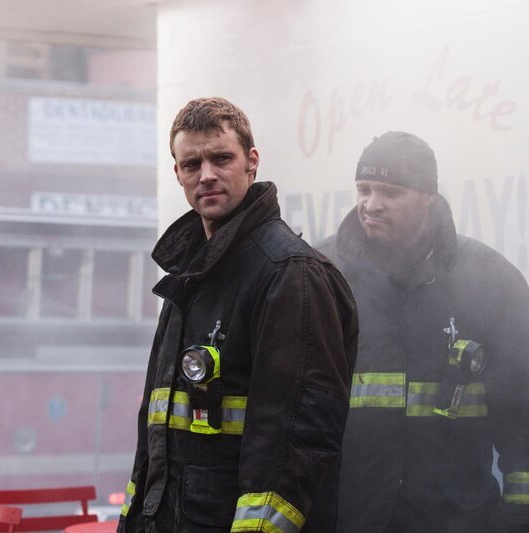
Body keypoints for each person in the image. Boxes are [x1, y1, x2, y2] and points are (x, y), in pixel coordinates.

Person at [118, 97, 358, 533]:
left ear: (251, 162)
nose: (206, 175)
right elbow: (156, 441)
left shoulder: (290, 276)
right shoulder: (191, 275)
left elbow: (297, 439)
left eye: (221, 158)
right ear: (178, 174)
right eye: (191, 164)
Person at [318, 131, 529, 533]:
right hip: (346, 519)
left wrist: (523, 520)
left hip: (456, 520)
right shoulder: (320, 276)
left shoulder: (490, 281)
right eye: (363, 189)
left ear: (428, 196)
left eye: (390, 192)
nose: (371, 204)